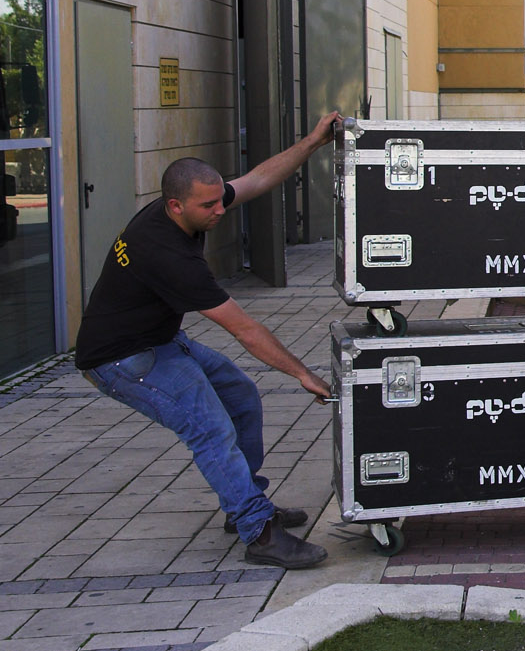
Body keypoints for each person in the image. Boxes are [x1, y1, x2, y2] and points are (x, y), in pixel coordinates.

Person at [75, 112, 344, 569]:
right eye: (209, 206)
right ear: (176, 206)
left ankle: (244, 503)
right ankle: (260, 533)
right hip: (122, 360)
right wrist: (302, 374)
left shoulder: (185, 206)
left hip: (160, 341)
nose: (220, 211)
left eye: (221, 201)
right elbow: (244, 329)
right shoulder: (169, 256)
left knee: (240, 396)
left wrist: (313, 142)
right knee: (210, 428)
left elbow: (258, 179)